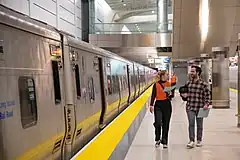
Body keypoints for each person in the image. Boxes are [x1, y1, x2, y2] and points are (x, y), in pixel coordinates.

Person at [181, 65, 210, 148]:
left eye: (193, 71)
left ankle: (199, 140)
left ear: (198, 72)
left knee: (200, 125)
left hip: (201, 108)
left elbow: (207, 95)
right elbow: (184, 94)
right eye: (191, 71)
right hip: (190, 107)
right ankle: (191, 140)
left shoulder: (203, 84)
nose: (191, 73)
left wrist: (206, 104)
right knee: (191, 123)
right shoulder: (188, 83)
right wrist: (183, 95)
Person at [149, 70, 175, 149]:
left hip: (167, 104)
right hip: (158, 105)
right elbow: (153, 95)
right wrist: (151, 105)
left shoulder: (169, 84)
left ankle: (164, 141)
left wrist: (170, 94)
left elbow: (171, 96)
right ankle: (157, 139)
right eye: (167, 74)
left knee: (166, 123)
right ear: (162, 75)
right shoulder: (156, 84)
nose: (168, 76)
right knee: (158, 122)